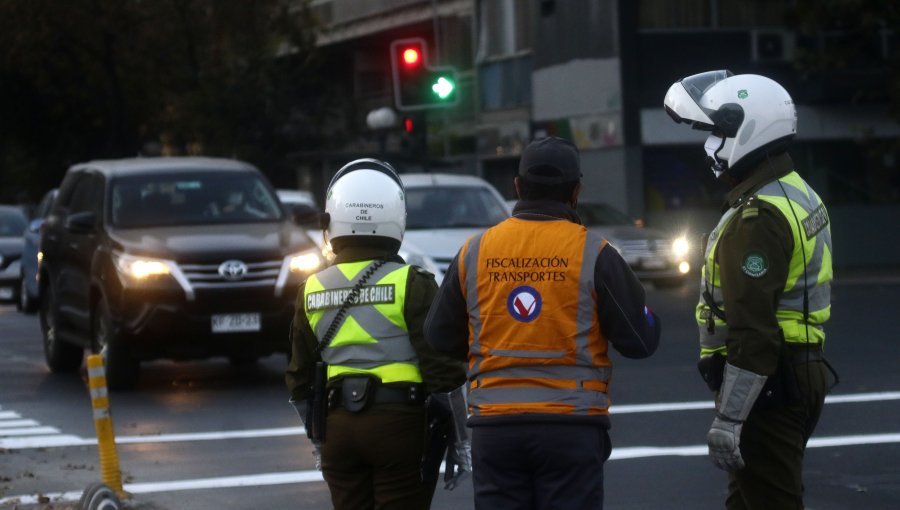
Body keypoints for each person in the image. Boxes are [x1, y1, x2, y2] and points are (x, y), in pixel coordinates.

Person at [424, 136, 661, 510]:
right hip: (572, 427)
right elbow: (639, 340)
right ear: (576, 190)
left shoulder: (474, 250)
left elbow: (438, 336)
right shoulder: (594, 252)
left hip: (495, 428)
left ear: (517, 187)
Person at [663, 70, 835, 509]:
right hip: (797, 370)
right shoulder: (797, 192)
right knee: (747, 500)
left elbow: (753, 329)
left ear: (750, 129)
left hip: (769, 384)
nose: (711, 144)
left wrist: (731, 416)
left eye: (720, 131)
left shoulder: (758, 218)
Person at [285, 158, 467, 510]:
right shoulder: (412, 283)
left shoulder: (310, 289)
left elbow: (298, 380)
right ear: (396, 216)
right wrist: (459, 443)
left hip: (337, 427)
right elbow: (445, 374)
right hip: (399, 426)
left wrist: (320, 441)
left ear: (332, 221)